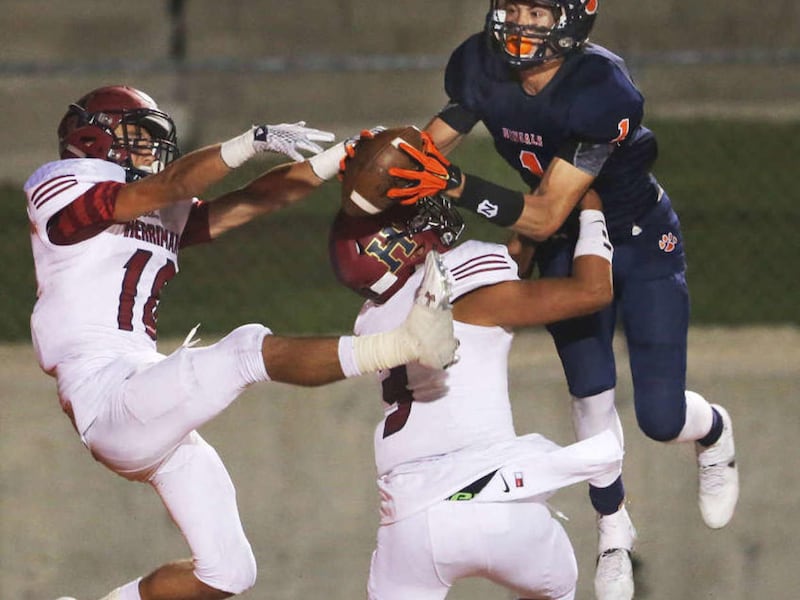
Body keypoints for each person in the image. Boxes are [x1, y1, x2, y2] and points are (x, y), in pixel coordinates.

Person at [26, 84, 457, 600]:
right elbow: (168, 185)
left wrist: (335, 160)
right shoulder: (63, 187)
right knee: (243, 351)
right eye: (136, 137)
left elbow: (253, 200)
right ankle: (404, 344)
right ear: (91, 141)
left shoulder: (149, 205)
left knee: (227, 574)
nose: (148, 149)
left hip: (141, 392)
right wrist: (247, 142)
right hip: (104, 394)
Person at [383, 2, 739, 598]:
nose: (520, 25)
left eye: (537, 13)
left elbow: (546, 213)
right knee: (590, 388)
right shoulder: (479, 64)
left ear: (572, 20)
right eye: (513, 8)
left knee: (661, 417)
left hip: (639, 238)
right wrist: (375, 172)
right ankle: (613, 530)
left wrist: (456, 185)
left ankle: (715, 433)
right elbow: (425, 147)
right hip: (565, 241)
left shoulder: (601, 88)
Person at [328, 191, 623, 600]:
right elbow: (592, 291)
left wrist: (534, 230)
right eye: (409, 222)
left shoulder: (373, 319)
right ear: (392, 247)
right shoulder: (467, 286)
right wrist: (590, 206)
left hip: (410, 523)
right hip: (498, 502)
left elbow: (489, 291)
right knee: (555, 588)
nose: (422, 220)